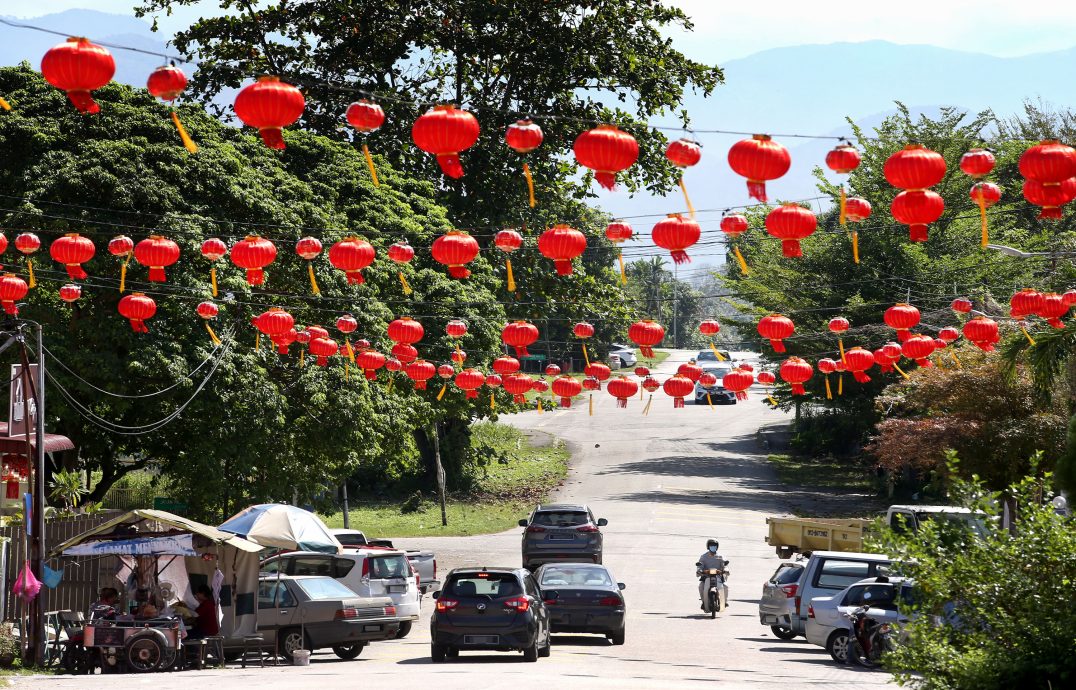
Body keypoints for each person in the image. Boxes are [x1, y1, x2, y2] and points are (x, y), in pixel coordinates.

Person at [696, 538, 728, 611]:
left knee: (726, 586)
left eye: (714, 546)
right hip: (706, 576)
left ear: (717, 547)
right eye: (711, 546)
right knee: (701, 586)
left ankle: (724, 602)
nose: (713, 547)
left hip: (718, 576)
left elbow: (724, 564)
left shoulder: (720, 556)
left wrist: (725, 569)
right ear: (708, 547)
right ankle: (704, 602)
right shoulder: (703, 556)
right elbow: (700, 565)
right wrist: (699, 570)